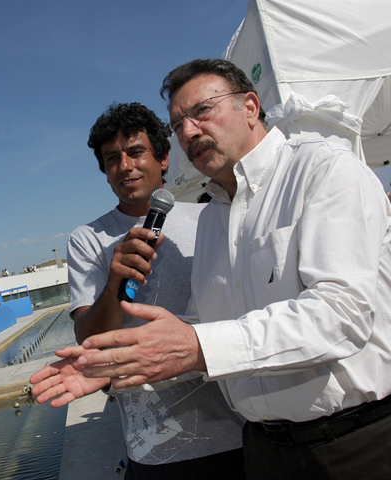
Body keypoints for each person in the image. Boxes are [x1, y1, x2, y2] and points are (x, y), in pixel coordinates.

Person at [55, 59, 391, 479]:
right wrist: (118, 361)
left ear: (250, 107)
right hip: (263, 448)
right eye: (178, 124)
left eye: (202, 111)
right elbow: (218, 323)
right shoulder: (217, 217)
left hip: (353, 446)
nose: (190, 132)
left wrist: (195, 345)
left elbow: (342, 315)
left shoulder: (323, 170)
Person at [31, 102, 244, 479]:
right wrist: (115, 280)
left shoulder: (212, 218)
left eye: (136, 152)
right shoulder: (88, 240)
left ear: (163, 159)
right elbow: (90, 339)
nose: (125, 166)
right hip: (155, 449)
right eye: (112, 158)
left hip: (241, 431)